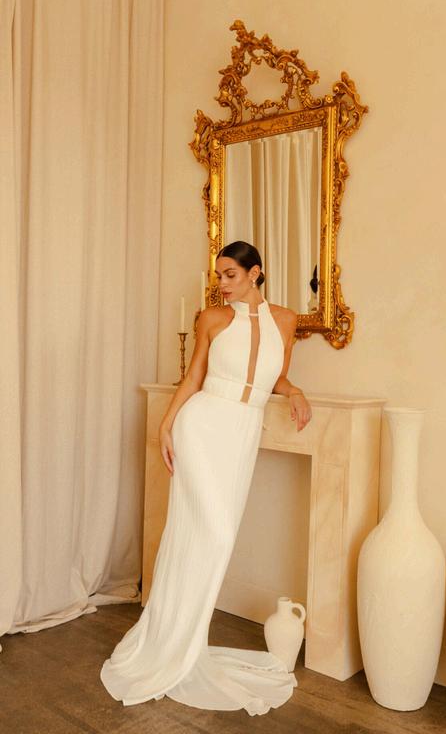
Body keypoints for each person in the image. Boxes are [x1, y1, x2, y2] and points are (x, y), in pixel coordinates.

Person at [100, 240, 312, 715]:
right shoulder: (212, 318)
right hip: (202, 425)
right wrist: (167, 424)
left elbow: (273, 376)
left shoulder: (285, 320)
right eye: (219, 276)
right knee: (210, 534)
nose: (222, 284)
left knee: (215, 537)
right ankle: (176, 647)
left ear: (255, 273)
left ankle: (187, 643)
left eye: (230, 275)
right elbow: (194, 376)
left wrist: (295, 389)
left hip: (242, 432)